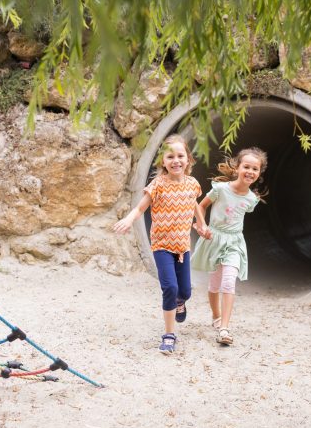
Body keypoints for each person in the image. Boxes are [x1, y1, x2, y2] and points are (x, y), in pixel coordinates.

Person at [112, 134, 205, 355]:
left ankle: (181, 302)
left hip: (182, 245)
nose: (176, 160)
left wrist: (201, 225)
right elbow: (140, 208)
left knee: (185, 291)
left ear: (188, 159)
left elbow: (195, 205)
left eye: (180, 155)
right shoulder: (158, 185)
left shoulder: (192, 184)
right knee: (170, 288)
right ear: (162, 162)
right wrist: (128, 219)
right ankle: (169, 335)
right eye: (170, 156)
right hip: (162, 245)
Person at [192, 147, 267, 346]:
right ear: (237, 167)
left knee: (228, 281)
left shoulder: (251, 200)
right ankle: (216, 315)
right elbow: (200, 206)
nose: (250, 171)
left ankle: (224, 328)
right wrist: (202, 226)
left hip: (234, 243)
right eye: (247, 167)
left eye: (255, 169)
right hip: (215, 239)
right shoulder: (220, 189)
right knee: (214, 285)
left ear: (259, 173)